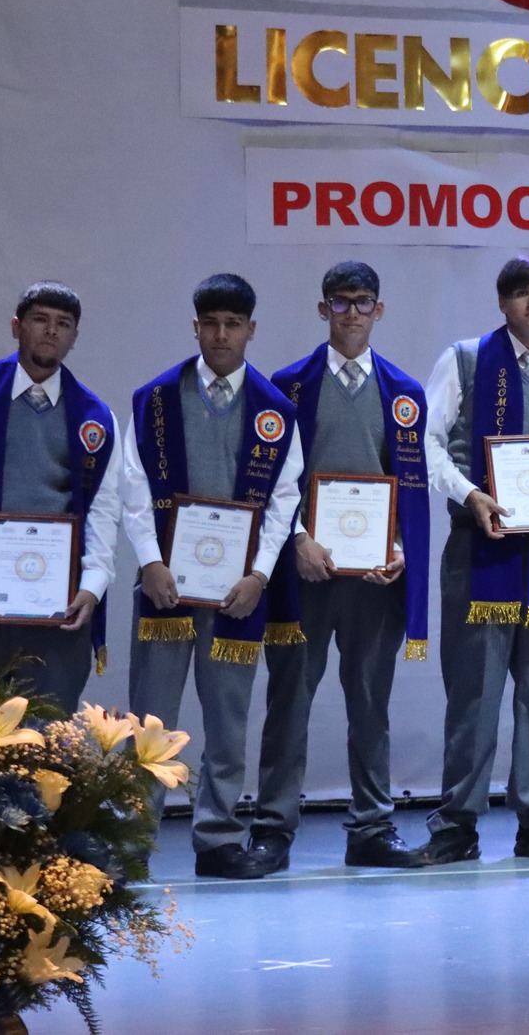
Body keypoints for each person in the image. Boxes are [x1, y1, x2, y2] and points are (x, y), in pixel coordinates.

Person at [120, 273, 304, 879]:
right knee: (150, 722)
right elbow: (133, 486)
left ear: (252, 329)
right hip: (165, 588)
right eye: (211, 323)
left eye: (233, 324)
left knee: (228, 721)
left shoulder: (276, 410)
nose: (221, 335)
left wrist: (257, 575)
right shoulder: (153, 399)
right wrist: (148, 560)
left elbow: (284, 500)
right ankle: (131, 844)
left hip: (235, 595)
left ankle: (219, 839)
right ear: (195, 326)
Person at [252, 262, 433, 872]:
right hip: (304, 573)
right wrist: (298, 539)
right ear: (322, 309)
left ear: (379, 310)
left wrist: (402, 551)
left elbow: (411, 486)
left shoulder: (405, 392)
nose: (351, 313)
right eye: (340, 302)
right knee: (289, 703)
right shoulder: (288, 385)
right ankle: (273, 828)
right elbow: (274, 480)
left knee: (369, 704)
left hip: (374, 581)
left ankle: (372, 828)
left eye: (362, 303)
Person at [422, 255, 529, 863]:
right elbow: (426, 442)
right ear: (502, 302)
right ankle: (457, 825)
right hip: (479, 549)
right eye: (521, 293)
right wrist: (470, 495)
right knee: (473, 694)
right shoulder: (466, 358)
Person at [0, 282, 124, 712]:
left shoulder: (97, 418)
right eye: (40, 320)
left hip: (58, 604)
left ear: (74, 337)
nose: (51, 331)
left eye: (63, 324)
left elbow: (104, 510)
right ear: (17, 327)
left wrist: (92, 586)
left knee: (44, 743)